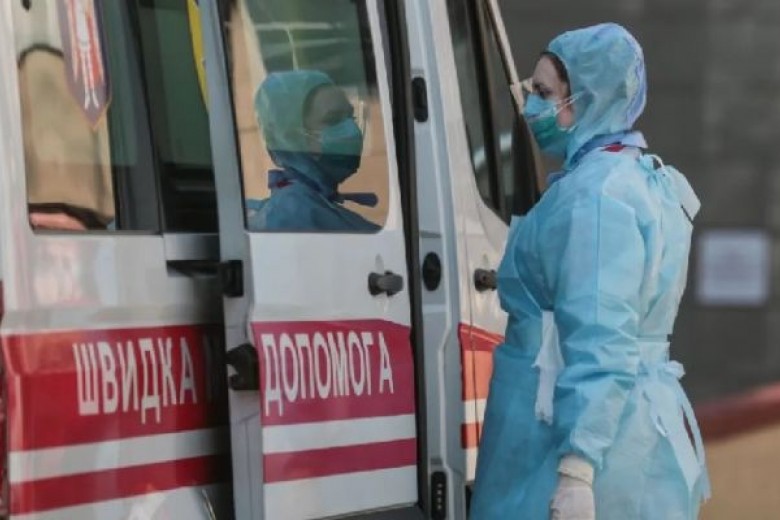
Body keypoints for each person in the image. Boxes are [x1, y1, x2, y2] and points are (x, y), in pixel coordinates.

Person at [469, 23, 710, 519]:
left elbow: (602, 336)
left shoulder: (595, 197)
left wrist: (577, 467)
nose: (530, 107)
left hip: (568, 441)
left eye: (543, 93)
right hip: (622, 429)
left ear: (587, 100)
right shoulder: (636, 178)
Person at [247, 70, 379, 232]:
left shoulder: (312, 204)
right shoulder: (294, 215)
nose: (351, 130)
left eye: (351, 117)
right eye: (333, 119)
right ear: (293, 138)